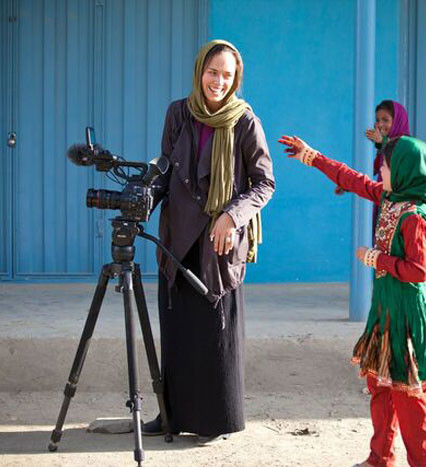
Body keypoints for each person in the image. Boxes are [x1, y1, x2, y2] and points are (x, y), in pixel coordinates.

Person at [278, 134, 426, 467]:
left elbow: (418, 271)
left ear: (404, 171)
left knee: (409, 396)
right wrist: (312, 156)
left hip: (409, 314)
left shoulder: (415, 216)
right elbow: (354, 180)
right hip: (387, 309)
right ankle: (380, 458)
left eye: (386, 166)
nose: (380, 171)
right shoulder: (391, 197)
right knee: (380, 385)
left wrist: (375, 259)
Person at [142, 40, 275, 445]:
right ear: (200, 70)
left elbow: (264, 182)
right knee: (179, 328)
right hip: (178, 237)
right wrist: (143, 198)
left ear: (236, 80)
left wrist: (232, 216)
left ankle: (216, 417)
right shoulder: (178, 113)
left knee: (215, 331)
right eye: (212, 72)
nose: (218, 81)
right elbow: (165, 168)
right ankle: (172, 414)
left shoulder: (244, 121)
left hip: (219, 244)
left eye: (227, 75)